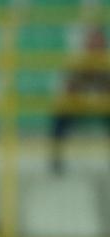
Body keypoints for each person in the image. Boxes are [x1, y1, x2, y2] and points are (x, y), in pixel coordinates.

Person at [50, 25, 110, 175]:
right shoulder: (78, 63)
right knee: (60, 117)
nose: (94, 46)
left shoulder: (107, 63)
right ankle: (56, 160)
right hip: (79, 105)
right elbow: (67, 90)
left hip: (103, 106)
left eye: (97, 42)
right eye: (91, 42)